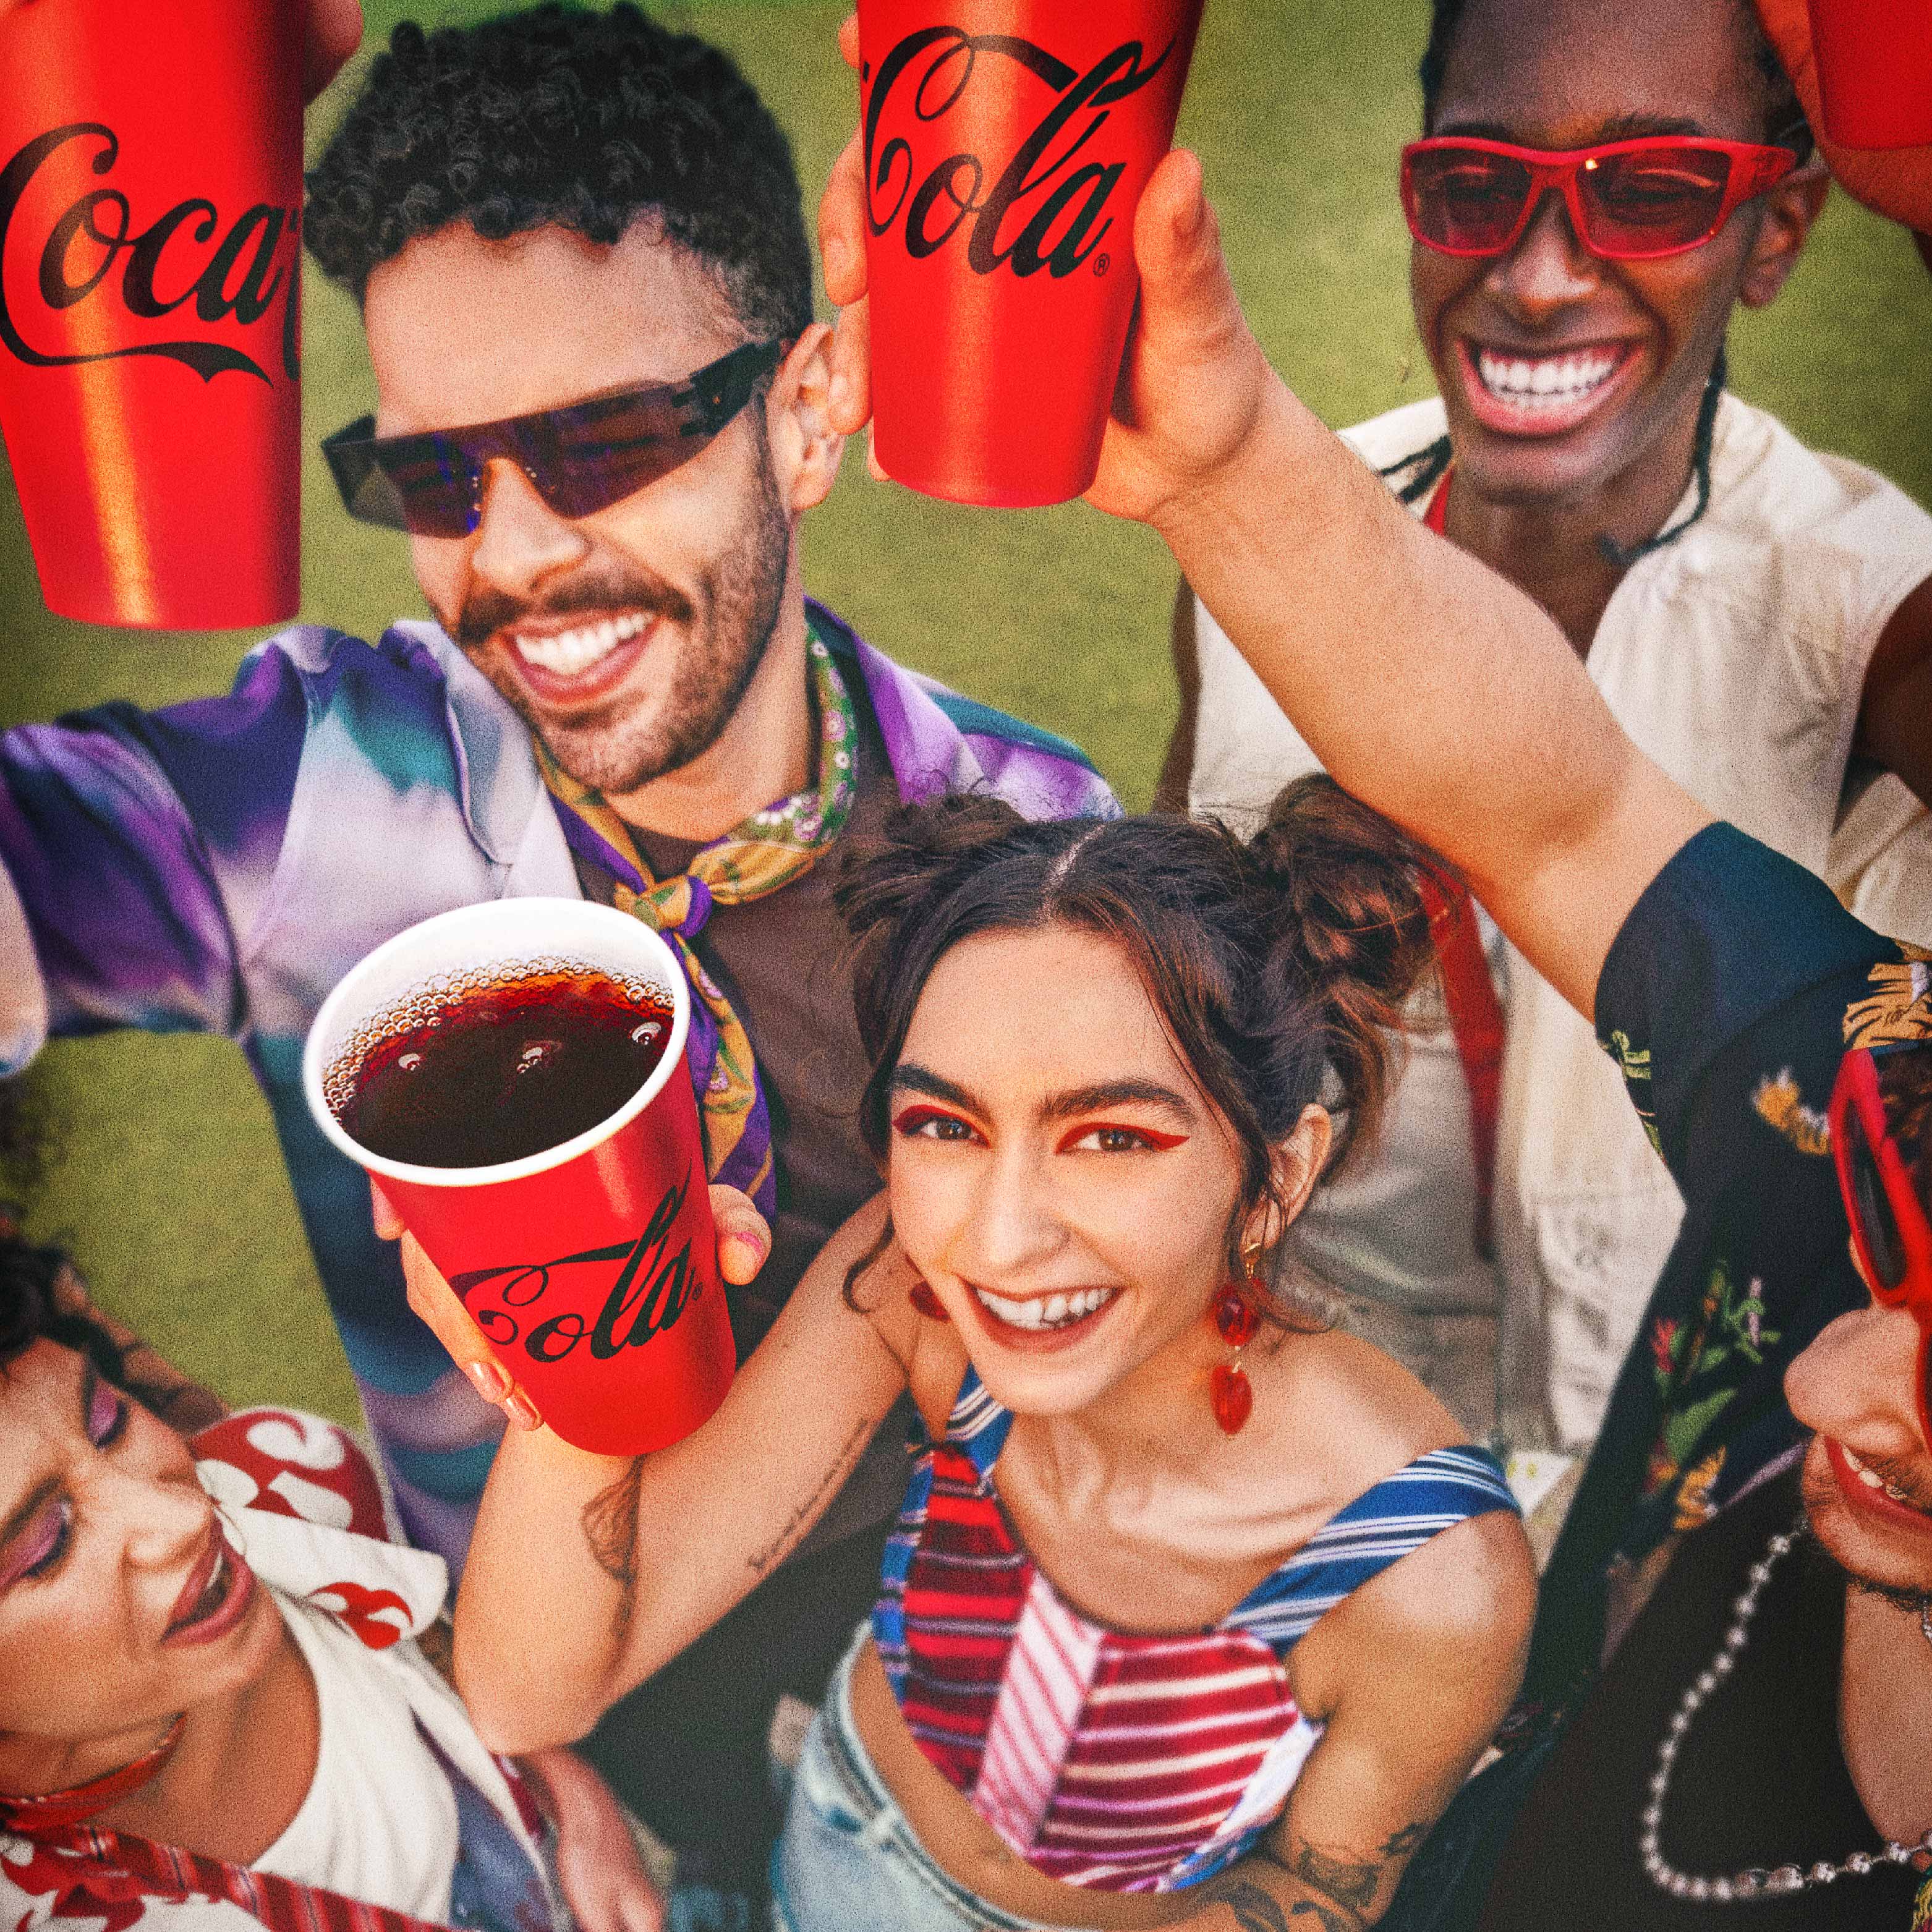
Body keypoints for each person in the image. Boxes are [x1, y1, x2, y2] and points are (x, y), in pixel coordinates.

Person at [0, 3, 1113, 1909]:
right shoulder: (320, 793)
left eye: (602, 443)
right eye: (435, 480)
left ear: (811, 407)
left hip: (953, 1694)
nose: (512, 559)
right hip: (527, 1733)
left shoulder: (1026, 827)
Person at [809, 57, 1932, 1921]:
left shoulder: (1843, 587)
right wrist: (1222, 464)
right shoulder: (1877, 1134)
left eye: (1653, 186)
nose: (1827, 1363)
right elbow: (1560, 819)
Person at [409, 780, 1536, 1932]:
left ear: (1278, 1175)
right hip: (831, 1834)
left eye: (1111, 1137)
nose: (996, 1241)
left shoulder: (1431, 1576)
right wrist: (578, 1335)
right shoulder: (913, 1293)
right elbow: (523, 1695)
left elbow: (1318, 1885)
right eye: (946, 1125)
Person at [1159, 0, 1932, 1479]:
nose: (1532, 274)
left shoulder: (1868, 606)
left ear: (1777, 231)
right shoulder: (1264, 524)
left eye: (1647, 191)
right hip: (1320, 1496)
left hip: (1682, 1508)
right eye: (1475, 184)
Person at [0, 1219, 666, 1932]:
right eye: (48, 1545)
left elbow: (423, 1635)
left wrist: (576, 1800)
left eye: (108, 1423)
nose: (186, 1518)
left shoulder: (288, 1475)